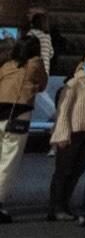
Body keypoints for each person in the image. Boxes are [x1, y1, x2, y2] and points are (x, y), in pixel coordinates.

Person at [47, 49, 85, 222]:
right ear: (83, 62)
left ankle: (65, 204)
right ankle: (56, 207)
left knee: (77, 170)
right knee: (63, 171)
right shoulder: (74, 83)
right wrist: (61, 134)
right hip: (72, 133)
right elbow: (63, 111)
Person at [0, 34, 48, 224]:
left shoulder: (7, 64)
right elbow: (42, 85)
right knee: (7, 162)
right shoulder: (35, 63)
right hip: (18, 115)